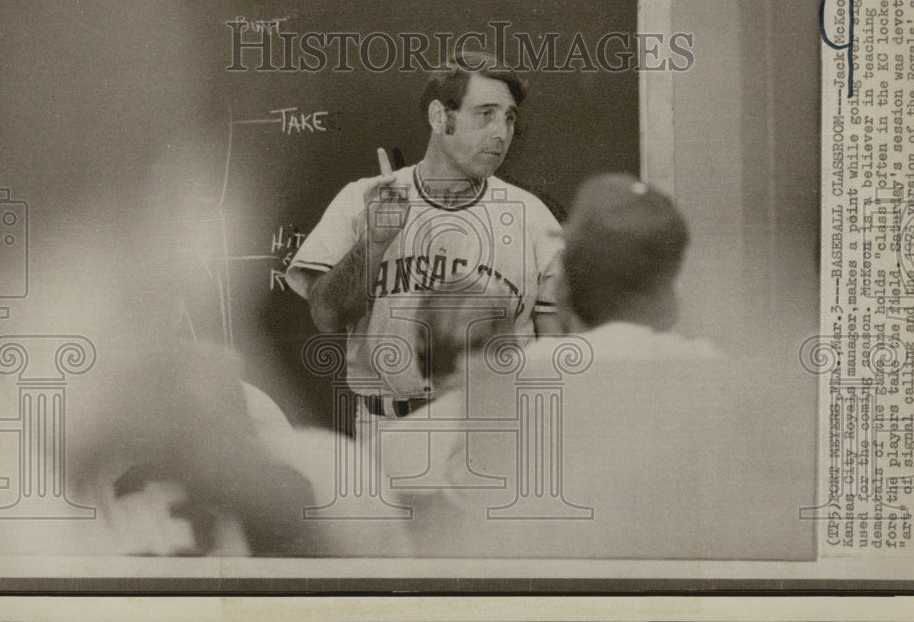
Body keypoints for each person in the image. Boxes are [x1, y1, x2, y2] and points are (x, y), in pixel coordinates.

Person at [414, 174, 814, 558]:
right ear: (668, 291)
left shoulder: (508, 383)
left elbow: (463, 531)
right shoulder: (726, 377)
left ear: (567, 285)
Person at [285, 52, 564, 418]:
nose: (501, 133)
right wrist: (375, 241)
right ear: (439, 117)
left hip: (495, 421)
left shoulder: (533, 217)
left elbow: (556, 344)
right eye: (485, 114)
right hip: (388, 422)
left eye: (509, 118)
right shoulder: (365, 198)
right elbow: (327, 316)